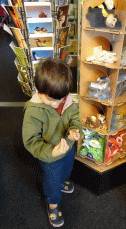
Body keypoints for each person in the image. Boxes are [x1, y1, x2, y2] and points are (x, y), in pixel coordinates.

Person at [22, 58, 82, 227]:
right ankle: (53, 205)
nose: (56, 103)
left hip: (68, 148)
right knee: (52, 182)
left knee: (67, 168)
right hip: (50, 155)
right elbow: (31, 141)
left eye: (61, 99)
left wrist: (75, 130)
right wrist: (52, 152)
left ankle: (64, 180)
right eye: (50, 100)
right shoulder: (33, 112)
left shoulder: (67, 100)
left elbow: (75, 118)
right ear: (37, 89)